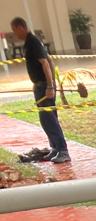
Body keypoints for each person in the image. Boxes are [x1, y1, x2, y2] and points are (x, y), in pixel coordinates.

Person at [10, 16, 70, 165]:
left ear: (21, 27)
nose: (15, 34)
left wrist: (50, 86)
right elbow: (49, 60)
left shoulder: (33, 42)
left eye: (15, 30)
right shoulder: (29, 43)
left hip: (44, 87)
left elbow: (45, 63)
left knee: (49, 119)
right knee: (46, 120)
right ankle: (55, 148)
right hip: (40, 85)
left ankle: (63, 151)